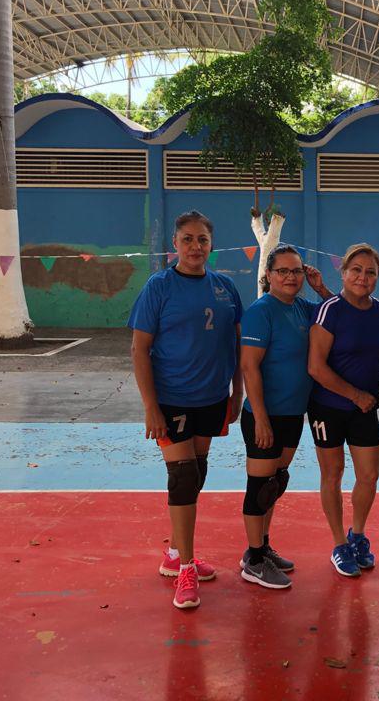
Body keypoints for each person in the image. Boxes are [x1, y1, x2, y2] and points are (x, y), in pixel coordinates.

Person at [128, 210, 243, 610]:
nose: (196, 246)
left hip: (212, 398)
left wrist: (237, 393)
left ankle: (175, 555)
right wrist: (151, 407)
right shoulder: (159, 287)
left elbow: (236, 344)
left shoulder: (225, 288)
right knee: (182, 478)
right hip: (172, 399)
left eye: (202, 240)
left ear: (212, 245)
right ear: (175, 244)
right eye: (188, 239)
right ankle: (187, 569)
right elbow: (139, 349)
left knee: (198, 473)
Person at [239, 245, 331, 589]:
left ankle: (261, 547)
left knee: (275, 483)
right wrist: (261, 419)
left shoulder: (304, 308)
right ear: (269, 275)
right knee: (259, 487)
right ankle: (254, 560)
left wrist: (321, 288)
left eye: (296, 271)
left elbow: (341, 314)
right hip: (265, 416)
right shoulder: (261, 312)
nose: (290, 277)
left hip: (294, 413)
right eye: (283, 271)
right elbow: (249, 367)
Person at [307, 243, 379, 577]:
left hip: (364, 408)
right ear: (343, 272)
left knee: (369, 476)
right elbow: (316, 367)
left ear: (378, 277)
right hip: (328, 407)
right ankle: (339, 544)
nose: (363, 277)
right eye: (356, 270)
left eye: (370, 272)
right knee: (332, 475)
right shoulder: (328, 309)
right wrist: (356, 396)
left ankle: (357, 535)